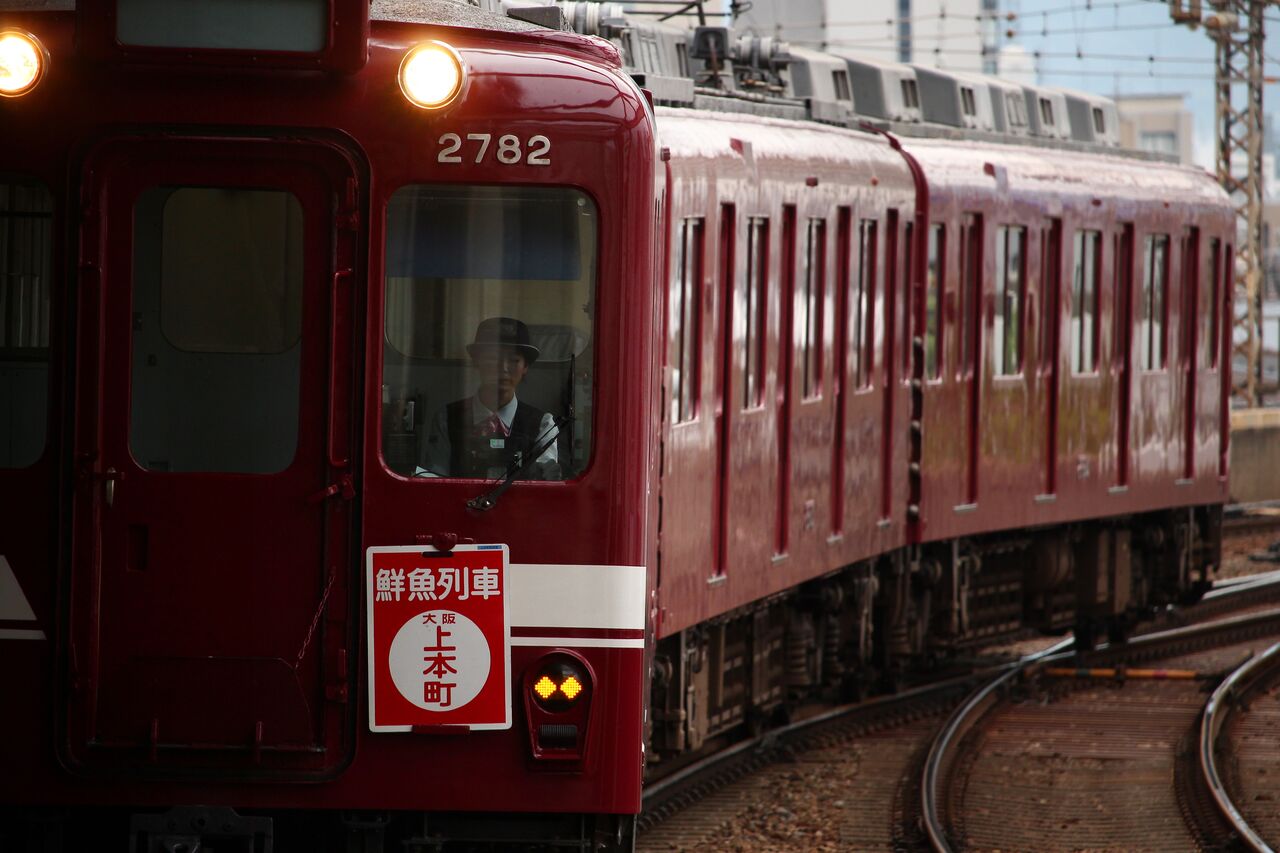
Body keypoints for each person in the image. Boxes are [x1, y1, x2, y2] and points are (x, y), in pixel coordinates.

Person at [415, 317, 560, 479]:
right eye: (493, 358)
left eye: (514, 360)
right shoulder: (446, 418)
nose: (503, 368)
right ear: (477, 361)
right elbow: (434, 478)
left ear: (525, 366)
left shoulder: (543, 424)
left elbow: (545, 481)